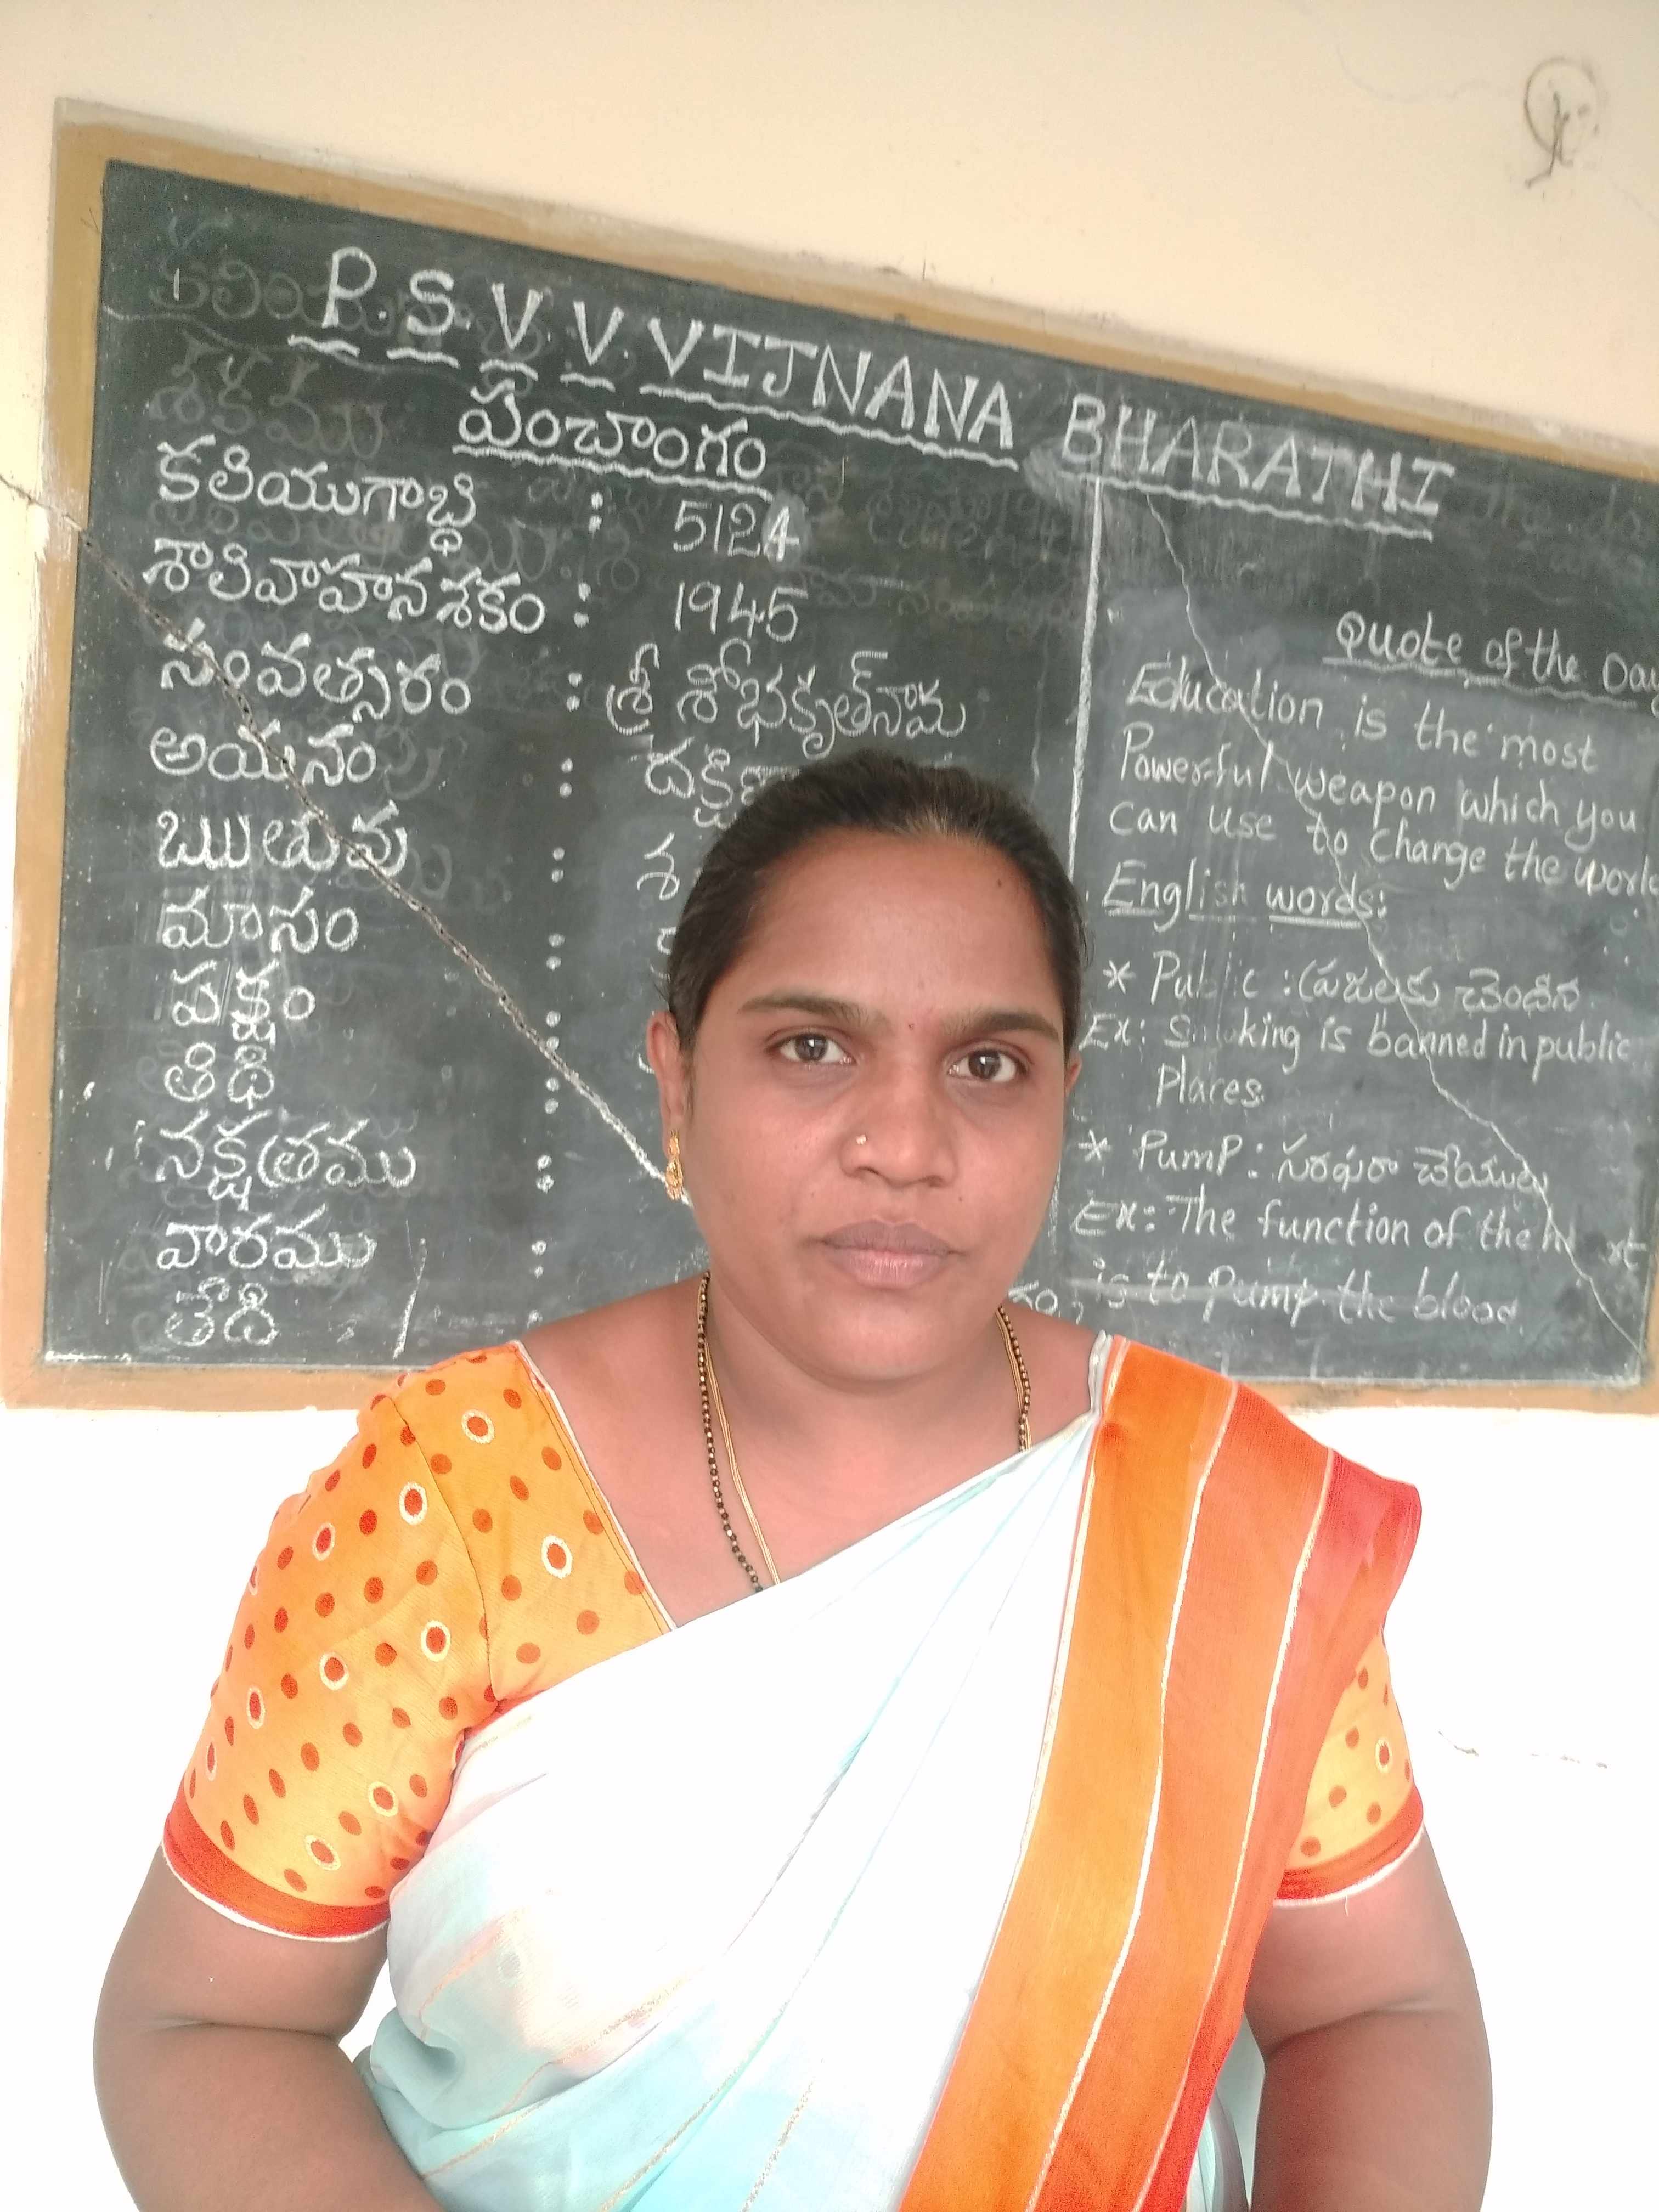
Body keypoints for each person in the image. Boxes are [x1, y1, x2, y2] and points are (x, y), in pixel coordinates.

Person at [95, 751, 1491, 2211]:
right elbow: (210, 2025)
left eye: (989, 1066)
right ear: (678, 1076)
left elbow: (1376, 2007)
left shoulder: (1217, 1522)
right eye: (814, 1048)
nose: (906, 1147)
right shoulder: (455, 1496)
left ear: (1062, 1102)